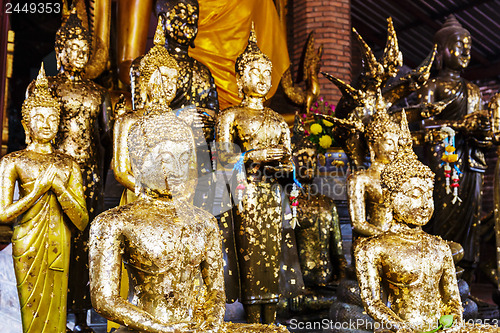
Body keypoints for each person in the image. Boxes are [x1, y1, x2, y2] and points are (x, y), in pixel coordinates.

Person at [89, 109, 288, 333]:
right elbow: (104, 301)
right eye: (166, 159)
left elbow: (216, 292)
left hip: (195, 328)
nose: (177, 169)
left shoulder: (203, 220)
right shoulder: (114, 222)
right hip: (146, 329)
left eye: (184, 159)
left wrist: (211, 324)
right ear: (140, 161)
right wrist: (164, 329)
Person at [25, 9, 112, 331]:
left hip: (87, 174)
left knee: (84, 241)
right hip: (55, 171)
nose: (80, 54)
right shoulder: (45, 87)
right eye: (74, 48)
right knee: (55, 241)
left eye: (84, 50)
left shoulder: (96, 92)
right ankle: (51, 312)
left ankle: (81, 315)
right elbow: (31, 131)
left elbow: (105, 137)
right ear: (59, 50)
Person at [354, 147, 499, 333]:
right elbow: (373, 303)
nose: (424, 204)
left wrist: (453, 322)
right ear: (389, 198)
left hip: (440, 329)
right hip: (400, 330)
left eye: (428, 195)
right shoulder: (372, 248)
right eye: (415, 195)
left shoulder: (440, 246)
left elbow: (453, 300)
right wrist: (402, 329)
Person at [0, 65, 88, 333]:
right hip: (27, 242)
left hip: (60, 244)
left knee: (57, 313)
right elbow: (3, 215)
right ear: (27, 124)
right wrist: (38, 189)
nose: (46, 124)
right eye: (39, 118)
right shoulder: (13, 161)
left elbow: (82, 221)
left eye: (52, 118)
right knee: (32, 310)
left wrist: (60, 189)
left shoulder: (69, 164)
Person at [216, 28, 292, 324]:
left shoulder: (277, 119)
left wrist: (282, 165)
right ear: (240, 79)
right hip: (242, 195)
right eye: (254, 71)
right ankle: (250, 321)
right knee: (248, 256)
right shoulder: (230, 116)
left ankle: (270, 321)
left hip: (272, 195)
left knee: (273, 258)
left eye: (266, 72)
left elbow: (290, 165)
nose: (262, 78)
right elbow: (223, 160)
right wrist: (252, 157)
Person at [415, 15, 490, 280]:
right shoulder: (431, 86)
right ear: (442, 50)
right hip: (445, 164)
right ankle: (442, 279)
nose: (466, 52)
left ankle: (467, 279)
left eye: (469, 46)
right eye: (459, 45)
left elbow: (482, 130)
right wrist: (462, 125)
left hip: (472, 163)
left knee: (471, 224)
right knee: (445, 219)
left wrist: (483, 131)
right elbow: (425, 126)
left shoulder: (474, 90)